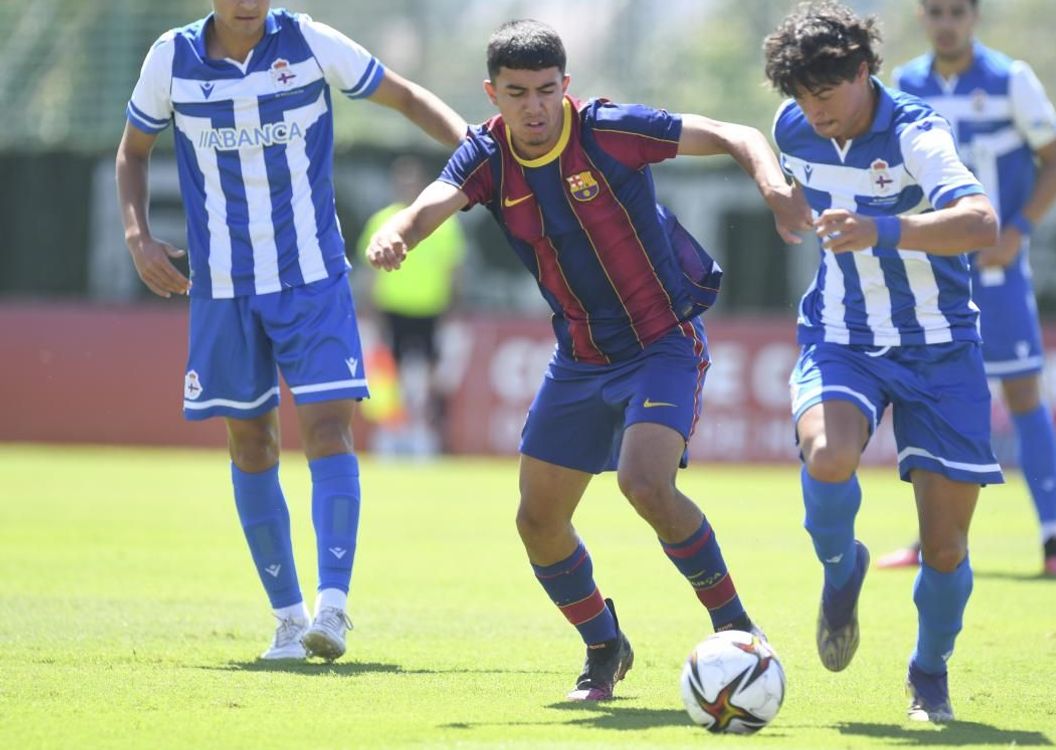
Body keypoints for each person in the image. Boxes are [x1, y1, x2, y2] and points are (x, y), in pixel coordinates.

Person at [366, 19, 809, 701]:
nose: (535, 107)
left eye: (547, 90)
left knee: (645, 484)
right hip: (579, 357)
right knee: (536, 521)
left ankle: (739, 632)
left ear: (565, 86)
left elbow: (735, 134)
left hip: (663, 341)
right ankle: (605, 645)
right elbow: (436, 200)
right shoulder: (487, 158)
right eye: (517, 94)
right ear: (494, 94)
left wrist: (774, 188)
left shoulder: (607, 131)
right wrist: (400, 230)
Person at [115, 0, 466, 662]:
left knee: (330, 428)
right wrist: (137, 237)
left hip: (312, 279)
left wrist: (475, 148)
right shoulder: (171, 57)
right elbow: (132, 151)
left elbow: (406, 96)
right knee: (251, 442)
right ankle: (286, 618)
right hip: (221, 287)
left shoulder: (308, 41)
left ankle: (333, 610)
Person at [765, 1, 1001, 722]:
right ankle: (842, 572)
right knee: (829, 458)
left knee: (945, 545)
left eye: (827, 94)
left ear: (864, 72)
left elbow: (981, 224)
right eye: (802, 96)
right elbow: (795, 183)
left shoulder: (916, 131)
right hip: (844, 336)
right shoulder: (792, 127)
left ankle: (928, 673)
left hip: (941, 347)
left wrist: (882, 229)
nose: (816, 110)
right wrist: (784, 200)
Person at [881, 0, 1056, 578]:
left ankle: (1054, 541)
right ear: (923, 18)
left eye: (957, 12)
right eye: (936, 12)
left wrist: (1017, 231)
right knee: (927, 396)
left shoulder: (1009, 79)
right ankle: (927, 540)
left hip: (996, 271)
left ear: (974, 18)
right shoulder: (905, 84)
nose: (946, 23)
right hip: (936, 272)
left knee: (1022, 394)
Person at [357, 157, 466, 458]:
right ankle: (392, 433)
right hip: (392, 308)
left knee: (430, 374)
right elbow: (369, 271)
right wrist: (370, 307)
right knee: (389, 376)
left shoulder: (442, 221)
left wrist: (453, 307)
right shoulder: (381, 221)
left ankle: (425, 431)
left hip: (430, 308)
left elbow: (454, 268)